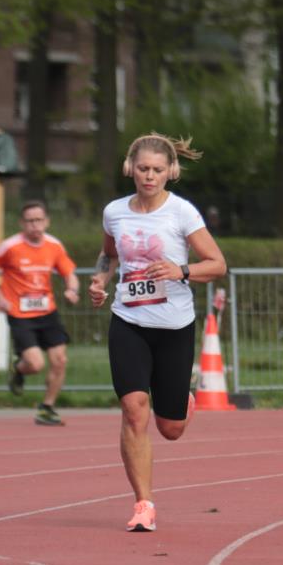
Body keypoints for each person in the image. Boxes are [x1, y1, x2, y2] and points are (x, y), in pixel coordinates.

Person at [89, 132, 227, 532]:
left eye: (157, 170)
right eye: (143, 169)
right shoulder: (115, 211)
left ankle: (182, 400)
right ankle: (143, 504)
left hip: (173, 324)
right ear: (129, 168)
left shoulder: (181, 213)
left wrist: (181, 270)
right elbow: (108, 254)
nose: (149, 176)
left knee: (171, 429)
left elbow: (217, 264)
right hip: (128, 321)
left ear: (171, 172)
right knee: (134, 410)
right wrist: (100, 280)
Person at [0, 200, 80, 426]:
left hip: (47, 312)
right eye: (29, 221)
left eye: (38, 220)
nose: (34, 226)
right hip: (19, 314)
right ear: (22, 223)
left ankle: (47, 408)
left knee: (60, 360)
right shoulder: (9, 246)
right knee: (35, 365)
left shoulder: (54, 246)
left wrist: (72, 290)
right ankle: (19, 369)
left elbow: (70, 273)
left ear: (46, 222)